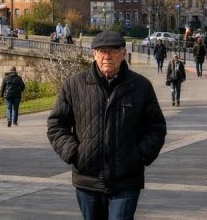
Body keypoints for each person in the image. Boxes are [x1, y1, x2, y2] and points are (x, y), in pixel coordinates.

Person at [47, 30, 167, 220]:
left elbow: (156, 127)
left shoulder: (141, 86)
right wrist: (74, 153)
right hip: (87, 178)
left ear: (123, 53)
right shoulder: (74, 85)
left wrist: (140, 155)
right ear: (94, 54)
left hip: (127, 179)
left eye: (112, 51)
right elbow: (56, 125)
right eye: (101, 51)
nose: (107, 56)